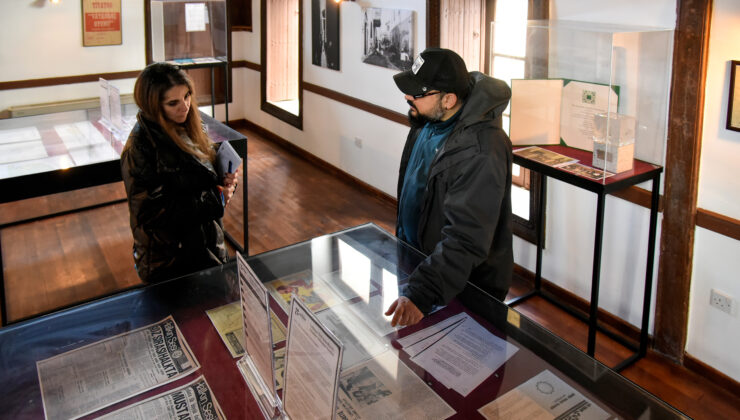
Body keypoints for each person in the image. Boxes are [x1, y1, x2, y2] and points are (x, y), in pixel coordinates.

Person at [385, 48, 513, 327]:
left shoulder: (481, 149)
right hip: (419, 266)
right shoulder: (427, 121)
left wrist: (423, 292)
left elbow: (465, 237)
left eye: (417, 93)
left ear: (449, 98)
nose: (408, 97)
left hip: (459, 287)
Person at [121, 62, 239, 283]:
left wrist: (226, 180)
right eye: (173, 103)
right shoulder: (140, 147)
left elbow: (207, 175)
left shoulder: (192, 123)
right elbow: (151, 214)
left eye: (187, 96)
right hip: (170, 260)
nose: (184, 106)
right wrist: (217, 197)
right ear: (152, 105)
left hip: (206, 244)